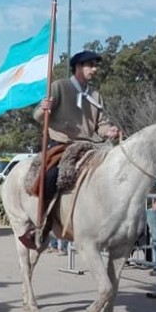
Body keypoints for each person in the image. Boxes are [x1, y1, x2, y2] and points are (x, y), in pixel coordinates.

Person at [22, 50, 122, 250]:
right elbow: (38, 116)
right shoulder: (60, 87)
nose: (94, 69)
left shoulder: (95, 95)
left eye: (95, 65)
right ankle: (40, 224)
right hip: (61, 143)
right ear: (77, 67)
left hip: (90, 145)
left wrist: (108, 130)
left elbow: (101, 124)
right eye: (90, 65)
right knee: (50, 176)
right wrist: (44, 108)